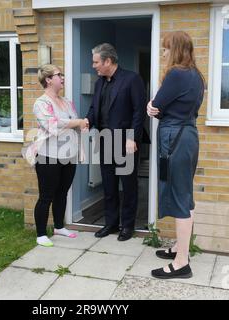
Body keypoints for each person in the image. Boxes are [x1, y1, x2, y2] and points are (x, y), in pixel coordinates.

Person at [147, 31, 205, 279]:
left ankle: (182, 263)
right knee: (186, 195)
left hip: (175, 139)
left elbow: (157, 104)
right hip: (188, 137)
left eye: (166, 49)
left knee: (180, 197)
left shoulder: (176, 74)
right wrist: (157, 109)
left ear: (176, 50)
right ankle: (181, 249)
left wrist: (153, 109)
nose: (163, 53)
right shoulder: (197, 76)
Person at [85, 43, 146, 241]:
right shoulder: (99, 83)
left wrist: (132, 138)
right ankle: (110, 224)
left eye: (96, 62)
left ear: (108, 61)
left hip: (125, 142)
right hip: (104, 140)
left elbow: (139, 111)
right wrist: (87, 121)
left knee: (128, 186)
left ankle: (127, 226)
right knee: (109, 186)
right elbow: (94, 108)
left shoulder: (132, 79)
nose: (94, 66)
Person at [30, 64, 88, 247]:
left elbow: (73, 125)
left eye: (62, 74)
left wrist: (81, 125)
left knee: (62, 193)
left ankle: (59, 227)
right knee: (46, 195)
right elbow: (51, 125)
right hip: (48, 156)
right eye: (58, 75)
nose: (62, 78)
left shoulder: (67, 101)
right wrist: (77, 122)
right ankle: (40, 234)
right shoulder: (41, 103)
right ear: (48, 79)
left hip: (68, 155)